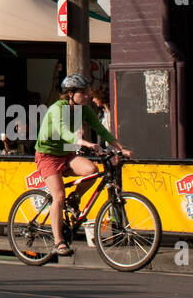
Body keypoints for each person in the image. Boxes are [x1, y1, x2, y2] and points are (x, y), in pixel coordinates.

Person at [34, 74, 131, 257]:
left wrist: (121, 148)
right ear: (70, 94)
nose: (87, 95)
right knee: (59, 196)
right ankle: (58, 241)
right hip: (48, 155)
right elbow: (63, 132)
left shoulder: (84, 110)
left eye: (87, 92)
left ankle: (75, 198)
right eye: (83, 92)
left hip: (67, 153)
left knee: (92, 171)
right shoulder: (58, 108)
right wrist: (85, 143)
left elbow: (100, 129)